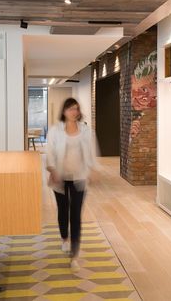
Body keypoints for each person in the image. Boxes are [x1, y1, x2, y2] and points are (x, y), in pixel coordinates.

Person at [46, 97, 99, 272]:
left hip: (79, 177)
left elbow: (91, 151)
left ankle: (74, 254)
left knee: (76, 215)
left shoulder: (85, 130)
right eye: (70, 109)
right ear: (64, 111)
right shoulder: (55, 131)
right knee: (63, 210)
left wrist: (92, 169)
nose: (74, 112)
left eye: (76, 109)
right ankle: (64, 238)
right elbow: (50, 152)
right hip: (60, 177)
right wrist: (52, 170)